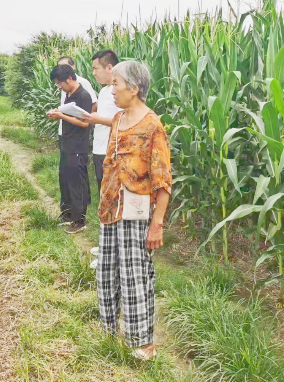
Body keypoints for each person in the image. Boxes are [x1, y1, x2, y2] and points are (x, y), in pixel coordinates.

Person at [96, 60, 171, 360]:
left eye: (116, 84)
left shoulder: (152, 125)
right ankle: (109, 333)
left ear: (135, 88)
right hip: (110, 209)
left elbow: (162, 179)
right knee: (107, 272)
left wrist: (158, 223)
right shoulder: (117, 119)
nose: (111, 89)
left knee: (135, 275)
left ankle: (143, 343)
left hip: (137, 213)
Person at [48, 56, 97, 224]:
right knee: (68, 179)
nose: (59, 87)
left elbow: (84, 123)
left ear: (69, 78)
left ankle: (79, 220)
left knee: (77, 183)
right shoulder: (70, 94)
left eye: (60, 83)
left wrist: (61, 115)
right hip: (68, 143)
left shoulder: (83, 96)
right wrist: (58, 114)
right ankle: (70, 213)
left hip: (77, 146)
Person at [82, 49, 121, 192]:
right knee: (102, 192)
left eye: (96, 68)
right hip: (98, 149)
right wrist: (92, 118)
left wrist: (98, 119)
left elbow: (124, 122)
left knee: (112, 195)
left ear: (109, 68)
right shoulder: (104, 91)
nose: (93, 73)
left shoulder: (120, 92)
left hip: (110, 151)